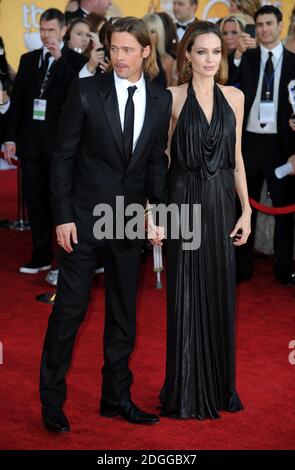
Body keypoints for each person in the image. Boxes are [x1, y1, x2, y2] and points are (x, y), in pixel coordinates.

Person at [39, 16, 172, 432]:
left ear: (146, 52)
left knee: (123, 314)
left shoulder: (159, 99)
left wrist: (158, 213)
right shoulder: (85, 92)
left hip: (130, 219)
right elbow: (62, 157)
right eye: (114, 49)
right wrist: (61, 216)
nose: (119, 57)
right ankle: (52, 401)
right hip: (82, 219)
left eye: (128, 49)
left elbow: (155, 163)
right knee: (70, 312)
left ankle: (116, 398)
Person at [160, 20, 251, 420]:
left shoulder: (235, 97)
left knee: (217, 291)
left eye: (217, 52)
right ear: (188, 56)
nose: (211, 59)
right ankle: (185, 389)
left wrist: (246, 209)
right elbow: (162, 161)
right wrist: (155, 213)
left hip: (219, 207)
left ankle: (216, 386)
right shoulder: (172, 98)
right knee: (185, 292)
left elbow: (237, 159)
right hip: (183, 205)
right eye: (202, 52)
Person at [3, 9, 88, 274]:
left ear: (63, 31)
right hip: (31, 144)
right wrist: (10, 138)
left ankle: (66, 259)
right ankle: (39, 255)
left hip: (62, 147)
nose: (46, 35)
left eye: (51, 30)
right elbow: (17, 103)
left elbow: (79, 95)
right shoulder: (28, 60)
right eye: (42, 29)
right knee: (35, 201)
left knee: (62, 202)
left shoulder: (76, 61)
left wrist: (60, 59)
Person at [229, 5, 295, 285]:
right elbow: (230, 91)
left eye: (269, 23)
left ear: (280, 25)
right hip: (250, 143)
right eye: (260, 24)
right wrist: (235, 59)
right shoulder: (248, 58)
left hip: (282, 144)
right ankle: (240, 268)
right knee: (244, 205)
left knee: (285, 209)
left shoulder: (294, 62)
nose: (265, 29)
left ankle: (283, 268)